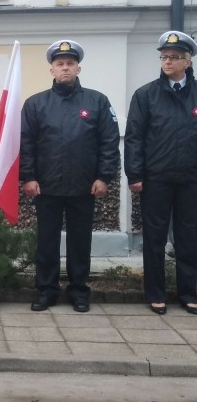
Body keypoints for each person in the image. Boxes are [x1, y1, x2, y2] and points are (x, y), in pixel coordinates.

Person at [20, 40, 120, 313]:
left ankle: (78, 291)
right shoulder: (35, 104)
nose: (65, 67)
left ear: (79, 68)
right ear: (51, 70)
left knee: (80, 241)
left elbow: (109, 142)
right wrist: (28, 177)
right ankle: (46, 290)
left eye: (70, 63)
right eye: (60, 64)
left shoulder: (97, 101)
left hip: (84, 185)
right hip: (47, 186)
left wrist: (104, 177)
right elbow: (26, 143)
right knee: (47, 240)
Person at [124, 30, 197, 316]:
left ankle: (189, 292)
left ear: (187, 62)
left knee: (189, 237)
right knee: (154, 238)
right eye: (164, 57)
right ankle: (155, 293)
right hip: (156, 179)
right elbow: (134, 138)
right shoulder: (146, 95)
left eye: (174, 57)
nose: (167, 62)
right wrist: (135, 175)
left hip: (191, 179)